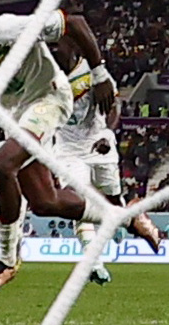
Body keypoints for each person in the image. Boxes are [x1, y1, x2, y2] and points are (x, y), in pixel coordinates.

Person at [0, 0, 163, 297]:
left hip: (49, 99)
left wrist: (100, 74)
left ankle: (6, 261)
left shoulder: (7, 29)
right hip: (15, 115)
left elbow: (75, 23)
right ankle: (126, 218)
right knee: (45, 203)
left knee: (2, 166)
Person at [52, 42, 128, 286]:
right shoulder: (44, 74)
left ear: (74, 48)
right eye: (50, 45)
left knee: (112, 196)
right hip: (67, 151)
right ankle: (94, 264)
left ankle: (121, 222)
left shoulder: (92, 74)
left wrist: (107, 134)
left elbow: (114, 106)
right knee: (79, 202)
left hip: (98, 143)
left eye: (57, 44)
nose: (53, 49)